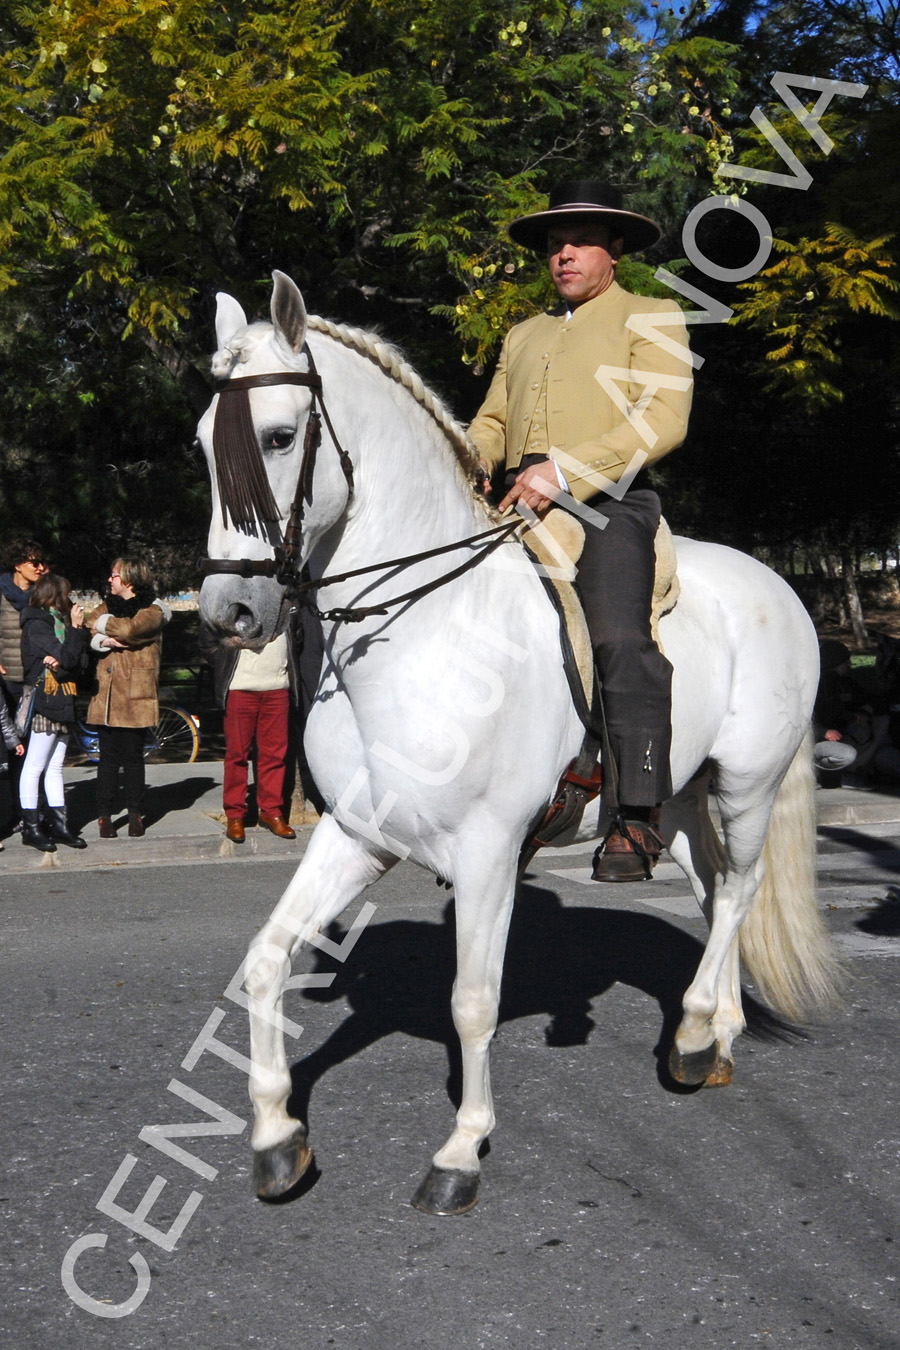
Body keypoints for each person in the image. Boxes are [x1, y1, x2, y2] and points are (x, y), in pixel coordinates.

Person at [468, 179, 693, 881]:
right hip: (519, 503)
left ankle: (637, 812)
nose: (562, 254)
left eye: (581, 241)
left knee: (621, 638)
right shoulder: (523, 334)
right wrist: (468, 454)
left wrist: (563, 475)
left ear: (616, 248)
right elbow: (495, 421)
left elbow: (661, 422)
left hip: (610, 501)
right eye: (554, 244)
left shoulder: (653, 314)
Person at [85, 558, 171, 838]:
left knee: (134, 758)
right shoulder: (106, 605)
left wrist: (107, 630)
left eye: (114, 576)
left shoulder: (154, 610)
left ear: (130, 579)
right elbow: (89, 622)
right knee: (107, 759)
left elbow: (129, 630)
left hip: (136, 693)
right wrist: (104, 640)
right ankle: (104, 817)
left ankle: (136, 814)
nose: (109, 580)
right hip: (107, 695)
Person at [204, 630, 296, 843]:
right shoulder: (232, 604)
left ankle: (271, 811)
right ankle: (235, 815)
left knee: (275, 755)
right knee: (237, 755)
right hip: (240, 689)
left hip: (277, 688)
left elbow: (297, 637)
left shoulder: (285, 606)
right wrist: (226, 665)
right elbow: (207, 642)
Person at [19, 574, 90, 851]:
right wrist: (71, 638)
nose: (70, 600)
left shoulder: (60, 624)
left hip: (65, 699)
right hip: (46, 701)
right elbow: (71, 657)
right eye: (66, 594)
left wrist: (63, 662)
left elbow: (78, 664)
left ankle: (60, 825)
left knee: (56, 766)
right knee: (35, 765)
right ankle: (31, 827)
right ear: (55, 595)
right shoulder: (37, 623)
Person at [0, 537, 50, 828]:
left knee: (31, 752)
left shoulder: (44, 594)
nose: (41, 567)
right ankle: (9, 813)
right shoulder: (2, 593)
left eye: (42, 562)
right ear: (18, 565)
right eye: (34, 562)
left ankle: (29, 813)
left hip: (34, 681)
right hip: (6, 683)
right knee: (8, 751)